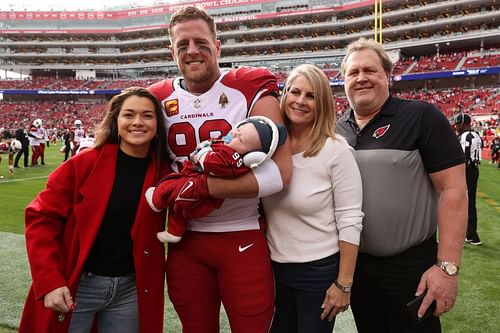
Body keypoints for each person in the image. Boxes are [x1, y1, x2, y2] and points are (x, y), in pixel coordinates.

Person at [148, 6, 292, 333]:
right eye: (182, 45)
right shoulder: (156, 98)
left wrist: (202, 188)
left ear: (217, 45)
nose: (192, 51)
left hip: (242, 234)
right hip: (185, 244)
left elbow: (280, 173)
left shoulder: (249, 85)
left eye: (200, 42)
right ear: (171, 51)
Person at [335, 38, 468, 333]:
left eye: (370, 70)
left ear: (387, 76)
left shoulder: (421, 116)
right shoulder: (336, 128)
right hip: (357, 266)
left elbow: (453, 190)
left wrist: (447, 269)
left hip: (409, 267)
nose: (361, 78)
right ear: (343, 81)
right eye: (353, 73)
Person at [19, 87, 170, 333]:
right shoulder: (83, 164)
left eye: (148, 116)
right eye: (129, 115)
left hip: (131, 289)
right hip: (78, 285)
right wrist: (48, 281)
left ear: (157, 125)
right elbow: (40, 217)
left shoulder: (164, 172)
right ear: (116, 121)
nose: (138, 122)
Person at [261, 64, 364, 333]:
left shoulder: (336, 150)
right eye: (295, 92)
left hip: (317, 273)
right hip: (272, 271)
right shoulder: (269, 149)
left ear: (323, 104)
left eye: (311, 95)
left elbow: (351, 218)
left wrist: (344, 283)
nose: (300, 101)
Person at [146, 115, 287, 243]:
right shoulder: (230, 147)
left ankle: (157, 201)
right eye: (239, 129)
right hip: (194, 178)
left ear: (252, 156)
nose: (234, 134)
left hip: (198, 189)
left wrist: (203, 152)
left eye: (241, 139)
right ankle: (174, 232)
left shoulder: (233, 158)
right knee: (180, 211)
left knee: (171, 190)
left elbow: (211, 163)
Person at [454, 113, 483, 245]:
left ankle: (469, 234)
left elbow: (464, 156)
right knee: (470, 203)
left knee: (461, 203)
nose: (456, 126)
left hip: (466, 170)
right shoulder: (476, 135)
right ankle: (471, 234)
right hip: (474, 170)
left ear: (463, 124)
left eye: (458, 124)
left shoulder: (465, 136)